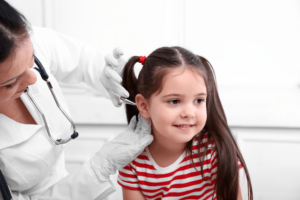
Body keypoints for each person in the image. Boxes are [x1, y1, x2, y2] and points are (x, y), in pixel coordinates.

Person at [0, 1, 153, 200]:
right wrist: (98, 168)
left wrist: (104, 72)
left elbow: (82, 59)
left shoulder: (18, 39)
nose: (33, 78)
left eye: (32, 61)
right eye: (10, 83)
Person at [117, 47, 254, 200]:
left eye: (199, 100)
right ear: (144, 106)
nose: (189, 113)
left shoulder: (213, 152)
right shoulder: (131, 159)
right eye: (174, 101)